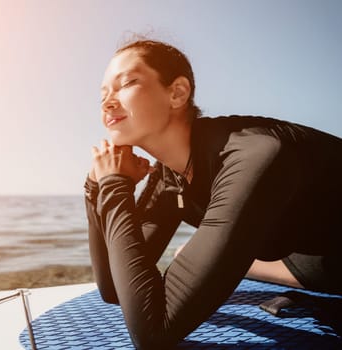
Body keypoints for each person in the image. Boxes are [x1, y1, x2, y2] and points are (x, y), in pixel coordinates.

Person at [84, 39, 342, 349]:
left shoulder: (255, 155)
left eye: (126, 83)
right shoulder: (168, 177)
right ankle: (245, 263)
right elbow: (113, 288)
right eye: (103, 95)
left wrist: (115, 186)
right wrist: (95, 187)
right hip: (319, 257)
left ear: (177, 92)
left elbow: (154, 333)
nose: (108, 103)